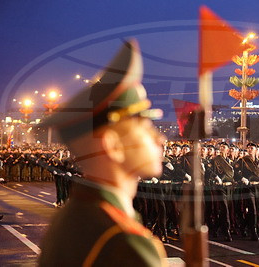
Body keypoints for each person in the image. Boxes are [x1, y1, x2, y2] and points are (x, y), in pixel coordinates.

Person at [38, 40, 168, 266]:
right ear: (113, 146)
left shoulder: (75, 217)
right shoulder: (123, 241)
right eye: (146, 126)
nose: (160, 139)